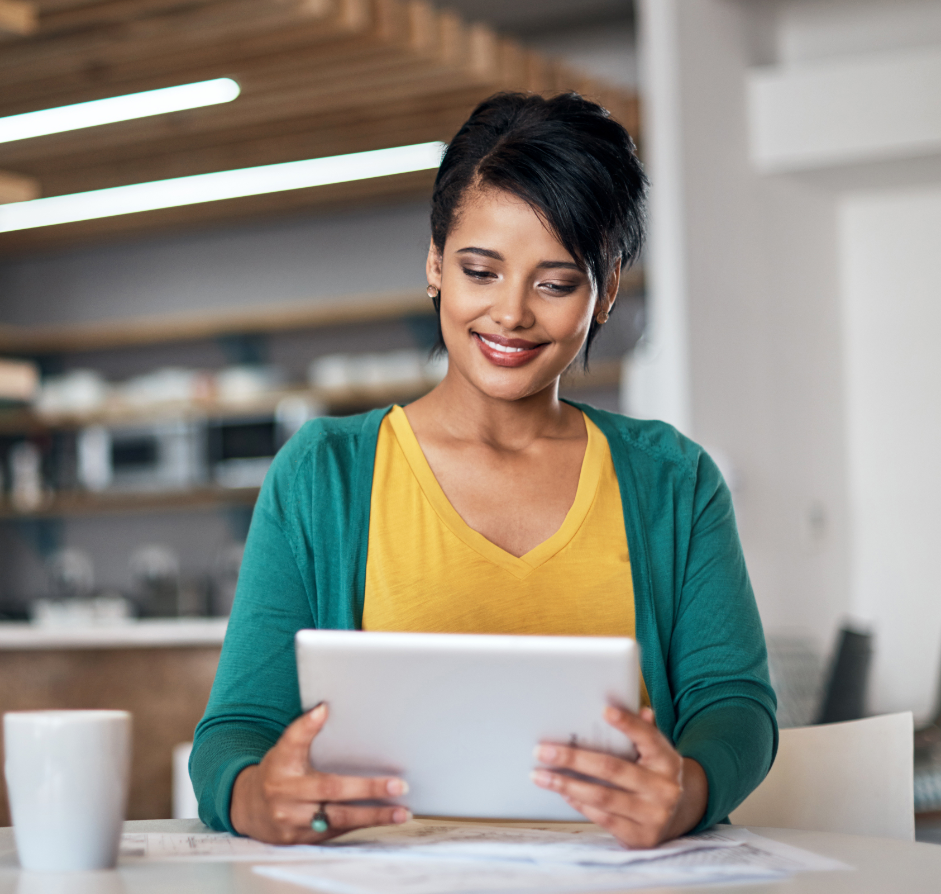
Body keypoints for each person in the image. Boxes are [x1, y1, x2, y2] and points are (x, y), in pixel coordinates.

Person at [190, 92, 777, 848]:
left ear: (606, 292)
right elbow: (236, 729)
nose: (510, 314)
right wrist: (249, 796)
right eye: (480, 270)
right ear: (434, 265)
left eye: (556, 281)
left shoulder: (674, 481)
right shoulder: (323, 475)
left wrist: (690, 787)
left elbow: (732, 704)